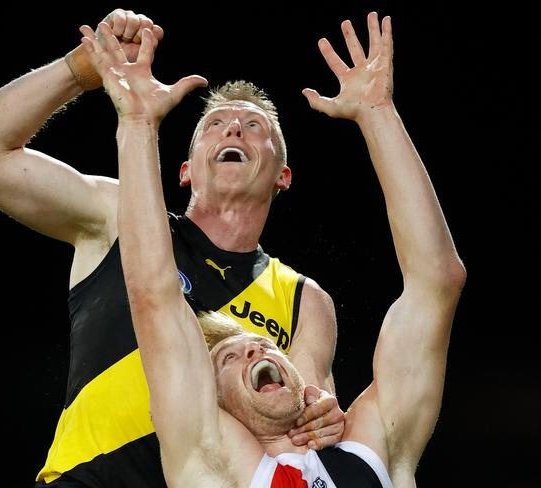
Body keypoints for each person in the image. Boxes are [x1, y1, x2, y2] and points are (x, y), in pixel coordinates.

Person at [0, 8, 344, 488]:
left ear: (283, 175)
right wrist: (82, 69)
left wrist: (325, 418)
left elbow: (308, 420)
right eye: (214, 124)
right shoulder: (121, 218)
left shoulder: (304, 299)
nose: (234, 129)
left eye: (255, 127)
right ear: (185, 169)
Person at [100, 10, 466, 487]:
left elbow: (436, 281)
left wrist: (378, 113)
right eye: (228, 360)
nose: (254, 351)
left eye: (263, 344)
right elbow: (152, 292)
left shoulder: (373, 450)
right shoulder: (211, 464)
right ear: (211, 401)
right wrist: (136, 123)